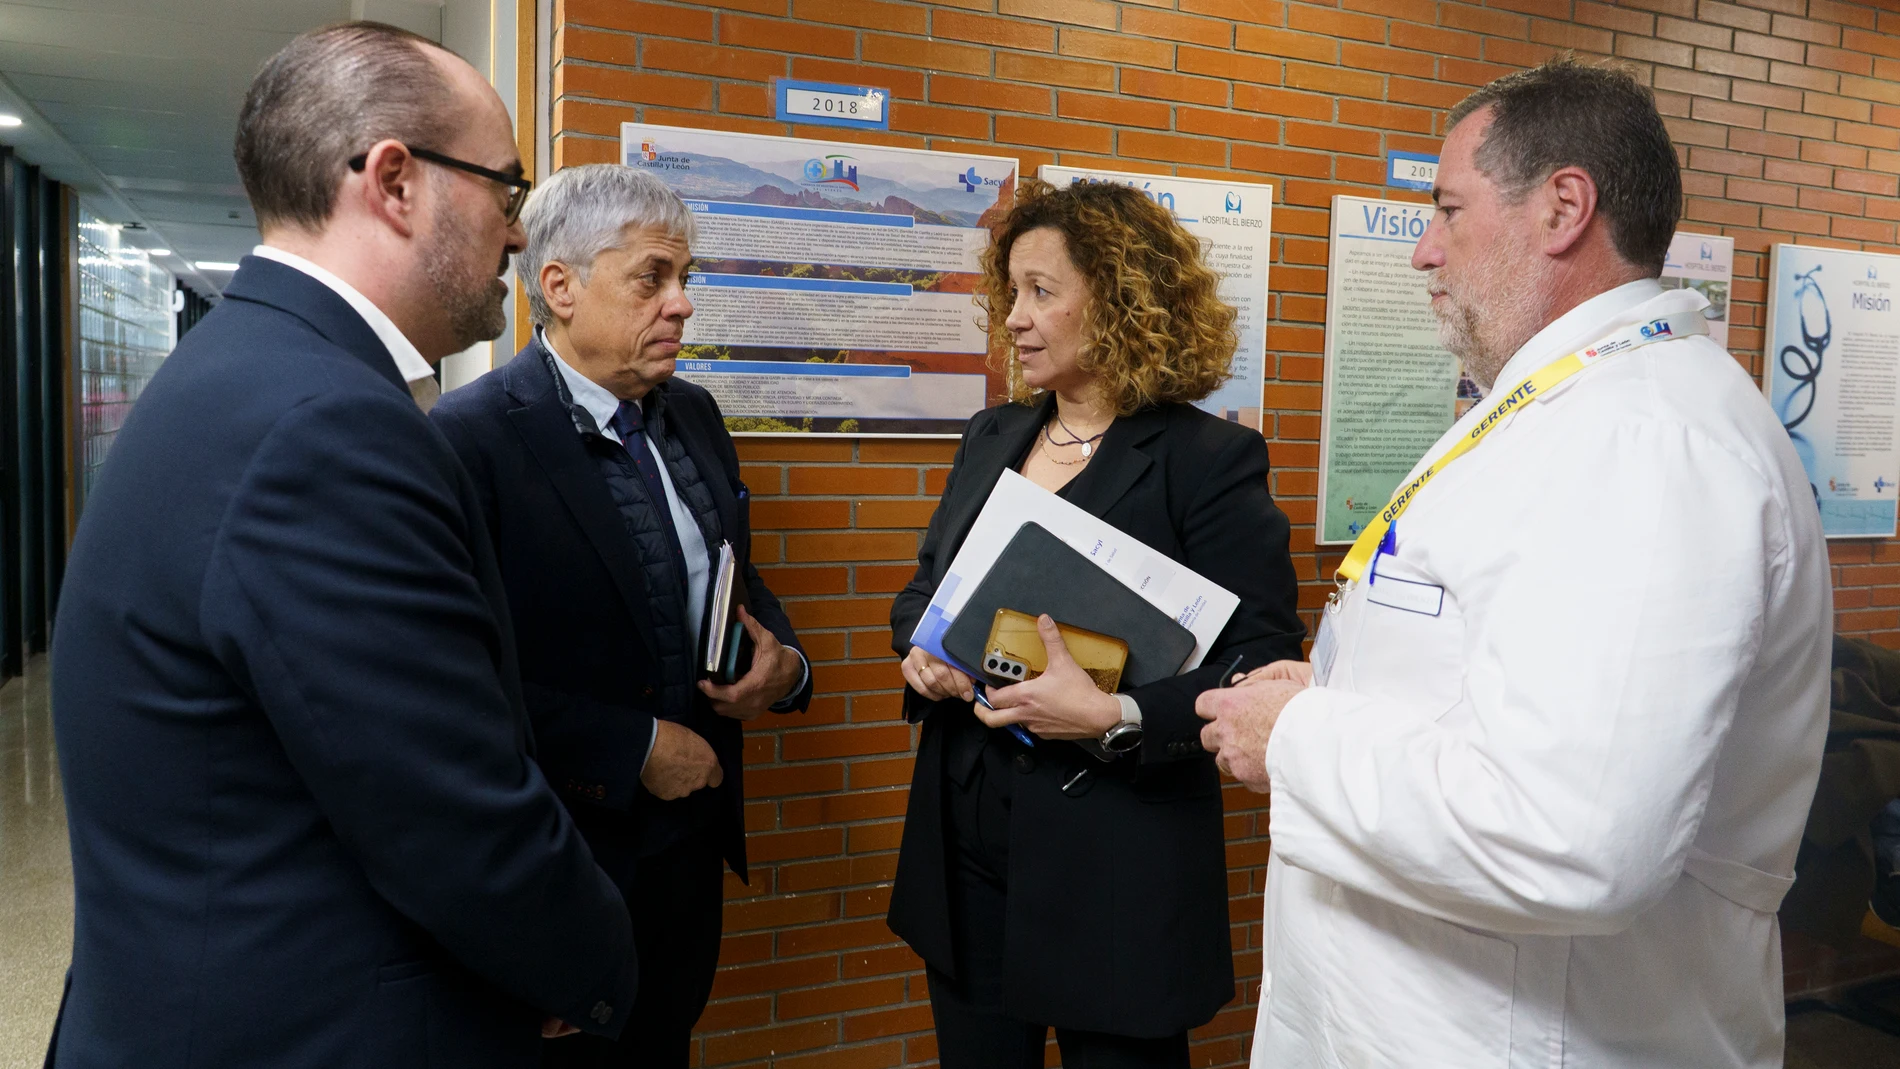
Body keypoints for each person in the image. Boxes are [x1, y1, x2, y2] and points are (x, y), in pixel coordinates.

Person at [1195, 58, 1830, 1069]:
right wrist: (1344, 690)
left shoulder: (1644, 442)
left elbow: (1570, 839)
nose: (1423, 250)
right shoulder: (1568, 410)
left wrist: (1302, 737)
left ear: (1562, 206)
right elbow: (1517, 685)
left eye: (1447, 208)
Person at [46, 23, 637, 1069]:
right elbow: (451, 814)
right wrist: (588, 966)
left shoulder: (249, 370)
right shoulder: (324, 424)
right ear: (395, 181)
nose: (516, 235)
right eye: (508, 191)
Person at [886, 178, 1307, 1069]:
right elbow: (926, 588)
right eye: (1012, 292)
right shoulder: (992, 434)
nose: (1016, 319)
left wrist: (1116, 717)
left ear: (1118, 300)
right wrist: (922, 648)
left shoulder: (1207, 461)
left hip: (1116, 861)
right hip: (965, 842)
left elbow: (1264, 659)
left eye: (1043, 291)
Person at [430, 164, 812, 1068]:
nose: (682, 305)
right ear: (558, 287)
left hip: (689, 850)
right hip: (565, 856)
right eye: (652, 278)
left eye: (686, 278)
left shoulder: (695, 415)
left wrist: (784, 664)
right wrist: (632, 746)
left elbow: (734, 577)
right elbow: (457, 676)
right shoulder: (469, 438)